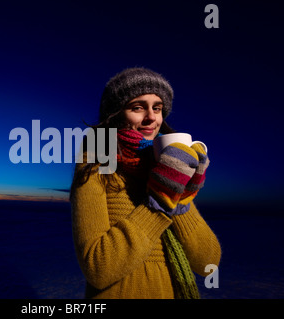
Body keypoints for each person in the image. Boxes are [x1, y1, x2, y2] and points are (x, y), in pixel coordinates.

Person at [70, 67, 221, 299]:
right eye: (138, 107)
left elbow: (208, 262)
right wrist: (160, 200)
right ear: (116, 113)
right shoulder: (95, 164)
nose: (151, 117)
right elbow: (98, 268)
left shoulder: (166, 167)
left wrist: (181, 196)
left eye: (157, 108)